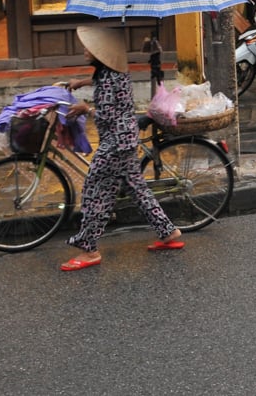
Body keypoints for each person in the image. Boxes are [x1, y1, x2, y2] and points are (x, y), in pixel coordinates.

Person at [59, 25, 182, 271]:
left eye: (90, 47)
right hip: (125, 139)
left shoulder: (107, 76)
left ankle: (89, 248)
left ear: (101, 53)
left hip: (115, 143)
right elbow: (102, 81)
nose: (85, 49)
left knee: (95, 190)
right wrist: (80, 82)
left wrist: (86, 108)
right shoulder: (112, 71)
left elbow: (105, 114)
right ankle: (168, 232)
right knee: (137, 189)